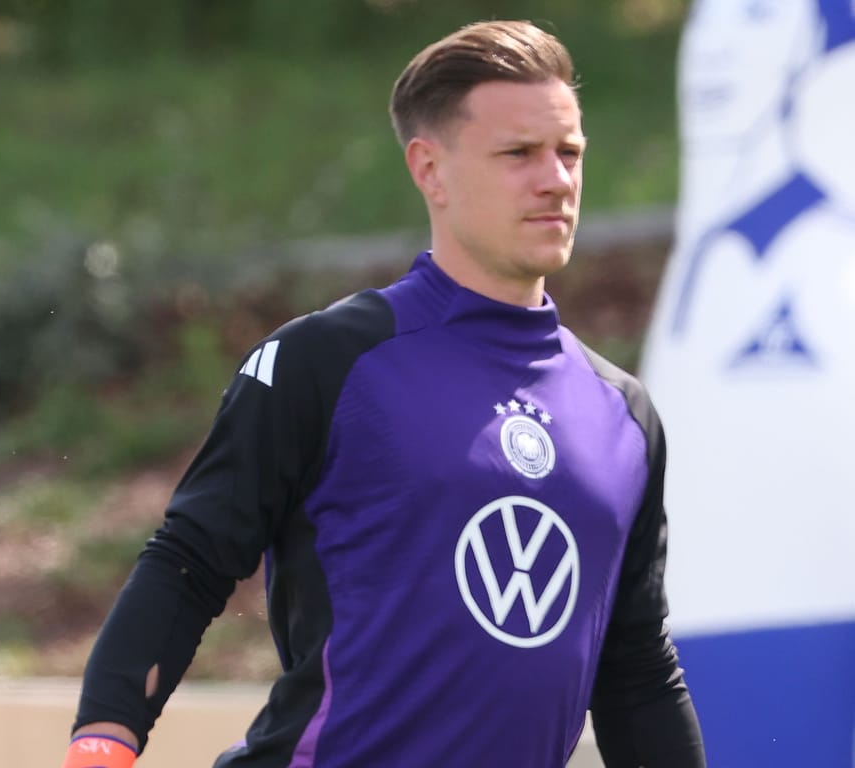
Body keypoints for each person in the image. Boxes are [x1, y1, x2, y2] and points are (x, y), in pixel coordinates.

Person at [60, 19, 706, 768]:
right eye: (518, 154)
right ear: (429, 169)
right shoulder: (326, 362)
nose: (556, 179)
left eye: (569, 153)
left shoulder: (624, 417)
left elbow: (635, 670)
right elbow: (192, 558)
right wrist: (106, 734)